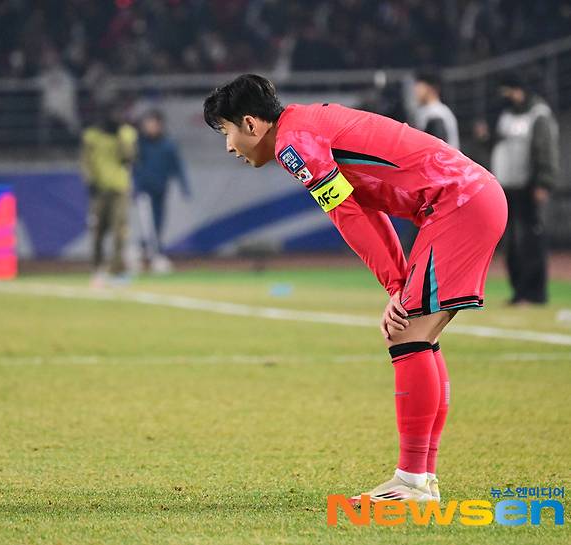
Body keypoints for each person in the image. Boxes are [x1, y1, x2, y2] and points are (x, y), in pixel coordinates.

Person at [203, 74, 507, 504]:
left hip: (459, 203)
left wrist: (397, 285)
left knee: (406, 333)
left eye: (226, 132)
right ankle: (421, 477)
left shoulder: (294, 144)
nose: (229, 146)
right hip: (468, 198)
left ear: (250, 124)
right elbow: (364, 207)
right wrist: (397, 282)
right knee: (417, 336)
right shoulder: (304, 126)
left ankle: (413, 481)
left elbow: (346, 214)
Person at [490, 72, 560, 305]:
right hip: (506, 189)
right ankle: (519, 292)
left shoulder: (538, 114)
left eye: (508, 91)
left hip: (529, 189)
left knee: (530, 242)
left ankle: (535, 294)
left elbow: (546, 150)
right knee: (512, 244)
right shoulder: (506, 115)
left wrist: (543, 182)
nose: (506, 96)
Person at [399, 70, 461, 254]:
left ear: (432, 88)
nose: (416, 90)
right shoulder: (427, 112)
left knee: (422, 247)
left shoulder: (436, 114)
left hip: (441, 187)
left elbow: (435, 154)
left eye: (420, 85)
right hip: (437, 188)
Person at [81, 102, 138, 283]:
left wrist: (121, 138)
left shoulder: (127, 133)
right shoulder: (91, 136)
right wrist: (89, 181)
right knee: (98, 231)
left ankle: (117, 271)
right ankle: (97, 268)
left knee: (119, 232)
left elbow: (129, 158)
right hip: (99, 190)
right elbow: (85, 161)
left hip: (120, 190)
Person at [133, 109, 191, 273]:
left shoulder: (168, 145)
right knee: (148, 225)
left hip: (160, 190)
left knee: (158, 223)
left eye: (152, 123)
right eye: (147, 124)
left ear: (160, 125)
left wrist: (184, 186)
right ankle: (155, 256)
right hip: (144, 191)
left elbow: (177, 166)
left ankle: (143, 252)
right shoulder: (140, 144)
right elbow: (133, 167)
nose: (149, 127)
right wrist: (135, 187)